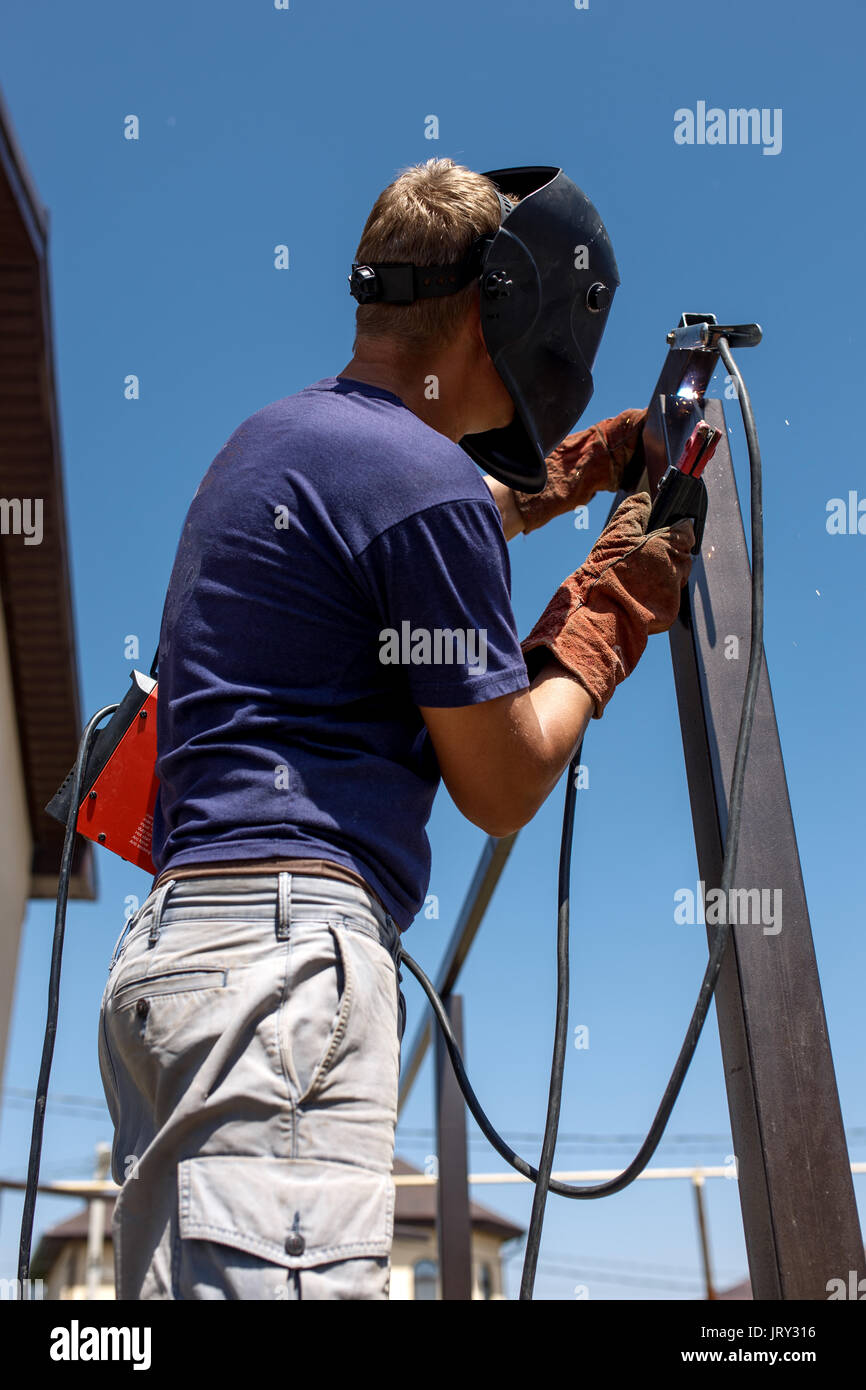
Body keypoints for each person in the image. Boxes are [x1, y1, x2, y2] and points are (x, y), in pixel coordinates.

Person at [97, 158, 694, 1301]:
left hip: (172, 966)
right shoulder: (417, 478)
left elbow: (411, 538)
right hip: (280, 973)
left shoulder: (274, 442)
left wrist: (582, 477)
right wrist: (616, 596)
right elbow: (503, 781)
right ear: (501, 310)